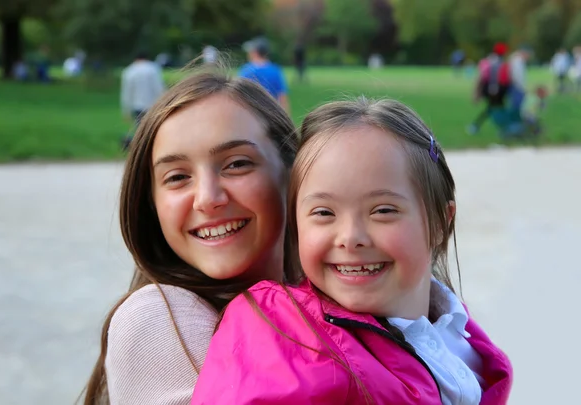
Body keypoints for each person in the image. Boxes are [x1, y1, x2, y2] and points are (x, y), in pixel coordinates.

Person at [192, 98, 513, 404]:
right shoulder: (281, 332)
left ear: (441, 223)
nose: (350, 237)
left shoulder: (456, 331)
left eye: (383, 211)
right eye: (324, 213)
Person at [82, 70, 299, 405]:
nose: (207, 198)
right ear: (151, 203)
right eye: (178, 177)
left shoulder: (329, 302)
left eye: (237, 164)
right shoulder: (157, 319)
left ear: (292, 172)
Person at [120, 51, 166, 149]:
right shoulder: (153, 68)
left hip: (138, 107)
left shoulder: (129, 71)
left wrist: (126, 110)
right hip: (153, 106)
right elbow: (159, 88)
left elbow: (127, 93)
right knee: (154, 131)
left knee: (141, 132)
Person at [468, 43, 510, 135]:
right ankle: (503, 128)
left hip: (492, 89)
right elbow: (493, 77)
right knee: (494, 108)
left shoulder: (490, 60)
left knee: (494, 108)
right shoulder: (496, 61)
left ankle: (477, 126)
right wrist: (493, 87)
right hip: (493, 89)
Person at [238, 36, 290, 113]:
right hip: (272, 113)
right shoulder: (275, 70)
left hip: (252, 113)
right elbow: (282, 96)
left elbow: (239, 94)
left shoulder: (246, 70)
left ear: (255, 52)